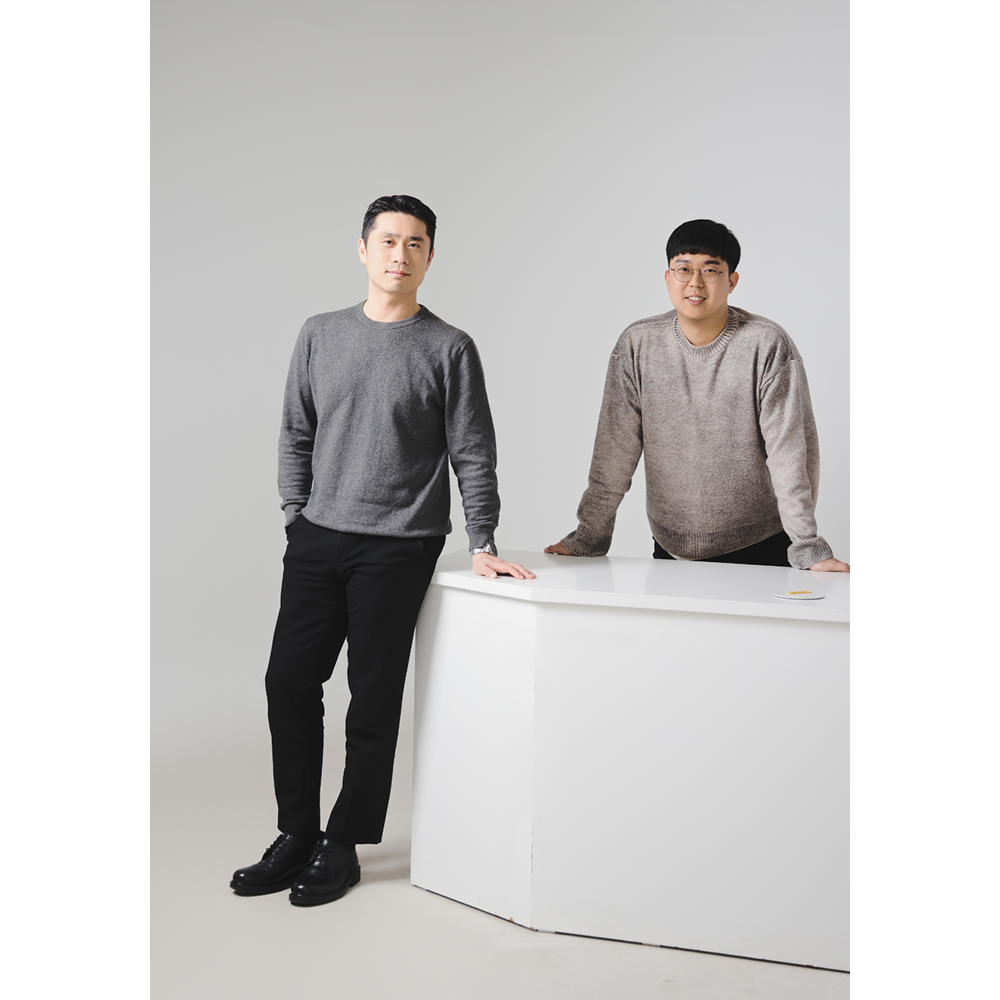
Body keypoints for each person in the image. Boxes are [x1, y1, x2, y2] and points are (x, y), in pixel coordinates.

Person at [231, 195, 534, 907]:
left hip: (400, 543)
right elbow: (295, 432)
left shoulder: (449, 347)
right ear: (363, 249)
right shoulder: (320, 333)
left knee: (372, 696)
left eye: (415, 243)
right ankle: (296, 833)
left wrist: (483, 540)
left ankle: (343, 844)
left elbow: (473, 451)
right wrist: (296, 516)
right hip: (318, 535)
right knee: (288, 682)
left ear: (430, 257)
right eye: (389, 240)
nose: (401, 254)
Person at [545, 218, 849, 573]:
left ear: (731, 281)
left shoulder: (766, 345)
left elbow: (790, 456)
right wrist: (589, 536)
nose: (695, 282)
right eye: (684, 269)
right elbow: (614, 452)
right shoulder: (637, 345)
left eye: (711, 270)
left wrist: (808, 548)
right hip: (670, 548)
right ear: (667, 277)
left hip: (761, 547)